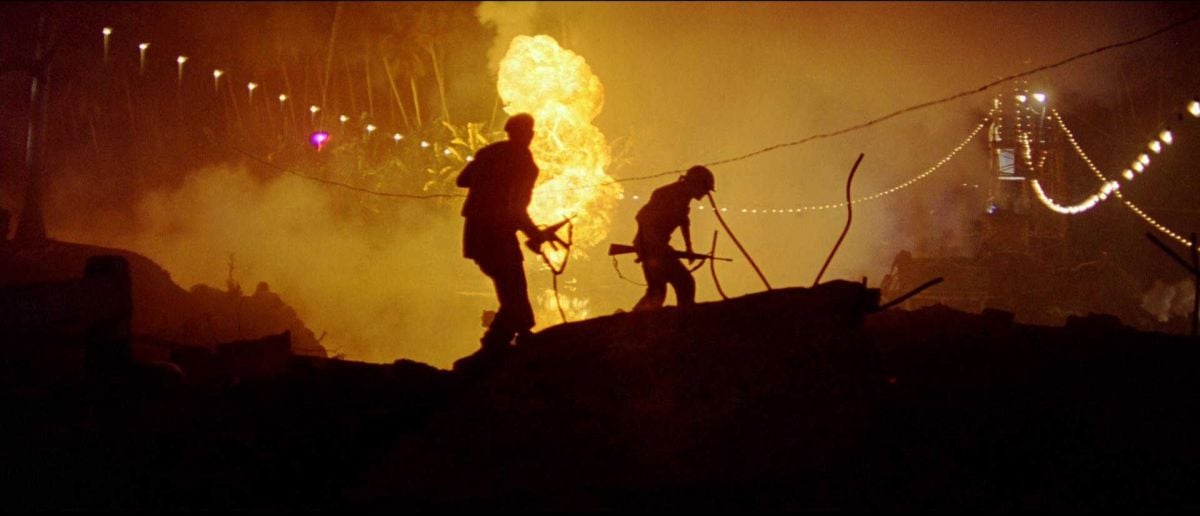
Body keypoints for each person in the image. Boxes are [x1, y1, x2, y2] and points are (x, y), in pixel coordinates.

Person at [456, 113, 549, 352]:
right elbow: (516, 208)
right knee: (513, 289)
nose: (530, 135)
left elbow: (462, 180)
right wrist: (534, 234)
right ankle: (494, 345)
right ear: (528, 134)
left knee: (512, 286)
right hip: (497, 234)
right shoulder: (525, 164)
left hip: (476, 233)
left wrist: (486, 182)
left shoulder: (488, 153)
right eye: (529, 131)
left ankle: (520, 333)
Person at [631, 165, 715, 312]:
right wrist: (653, 245)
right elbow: (642, 217)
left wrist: (689, 247)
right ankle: (636, 324)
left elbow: (684, 221)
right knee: (681, 284)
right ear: (696, 183)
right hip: (650, 245)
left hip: (656, 246)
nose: (706, 193)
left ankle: (634, 321)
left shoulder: (684, 198)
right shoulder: (667, 194)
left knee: (662, 289)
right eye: (705, 188)